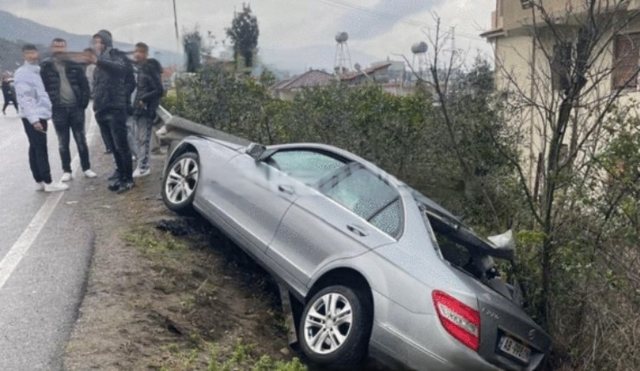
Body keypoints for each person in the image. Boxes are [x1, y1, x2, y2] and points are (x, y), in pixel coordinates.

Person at [85, 30, 136, 193]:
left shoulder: (116, 55)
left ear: (107, 42)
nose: (97, 45)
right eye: (95, 42)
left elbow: (121, 71)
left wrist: (122, 96)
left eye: (100, 42)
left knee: (122, 146)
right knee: (113, 147)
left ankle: (128, 179)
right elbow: (97, 85)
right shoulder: (98, 63)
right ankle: (120, 175)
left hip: (115, 108)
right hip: (101, 109)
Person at [40, 38, 97, 181]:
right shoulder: (46, 66)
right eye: (56, 46)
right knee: (63, 142)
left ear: (66, 48)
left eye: (62, 46)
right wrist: (50, 105)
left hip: (75, 108)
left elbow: (84, 85)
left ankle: (86, 168)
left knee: (80, 139)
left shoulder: (74, 65)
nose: (59, 49)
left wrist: (82, 104)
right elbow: (42, 88)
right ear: (52, 48)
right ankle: (67, 170)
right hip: (58, 109)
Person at [14, 44, 68, 192]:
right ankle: (48, 181)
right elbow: (25, 98)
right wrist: (34, 119)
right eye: (28, 53)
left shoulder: (36, 71)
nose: (32, 55)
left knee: (35, 147)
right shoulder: (23, 73)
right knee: (40, 148)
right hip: (34, 115)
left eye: (34, 52)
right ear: (24, 55)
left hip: (38, 114)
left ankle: (39, 180)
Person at [127, 42, 163, 178]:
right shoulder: (137, 68)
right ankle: (141, 163)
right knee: (136, 138)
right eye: (136, 51)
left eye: (141, 52)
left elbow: (159, 89)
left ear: (146, 54)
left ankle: (143, 167)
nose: (137, 54)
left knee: (143, 139)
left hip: (145, 109)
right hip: (135, 109)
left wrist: (144, 99)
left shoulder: (150, 68)